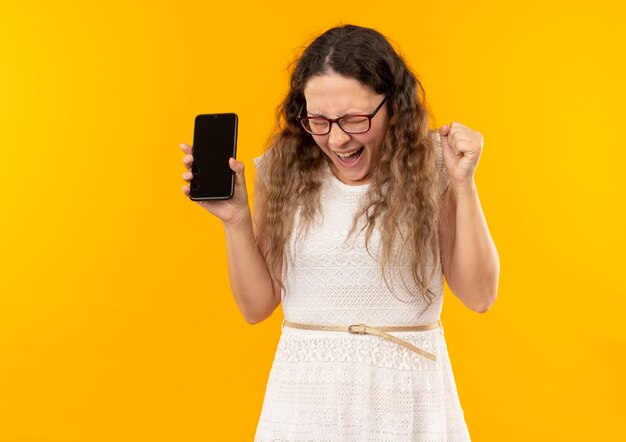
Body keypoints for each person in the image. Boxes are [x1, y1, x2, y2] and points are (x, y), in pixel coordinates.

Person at [180, 24, 499, 442]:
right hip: (305, 398)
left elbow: (479, 295)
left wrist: (463, 182)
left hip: (405, 399)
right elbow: (257, 307)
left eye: (354, 119)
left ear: (393, 106)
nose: (337, 138)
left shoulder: (433, 167)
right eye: (318, 120)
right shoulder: (283, 167)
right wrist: (236, 219)